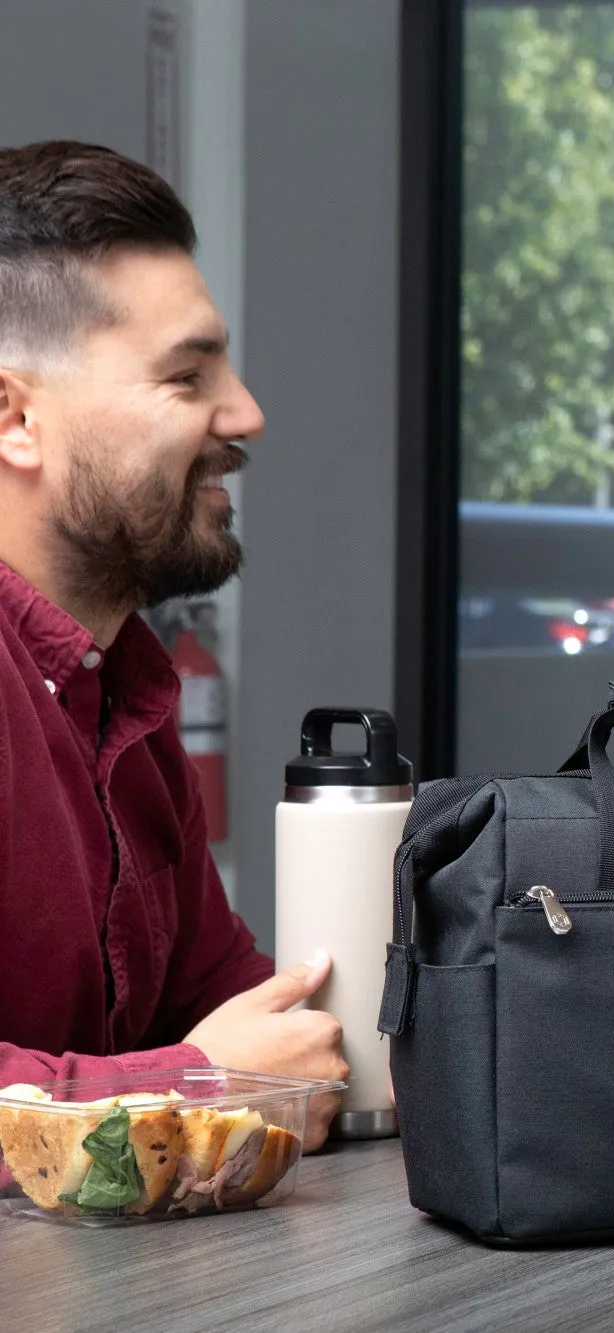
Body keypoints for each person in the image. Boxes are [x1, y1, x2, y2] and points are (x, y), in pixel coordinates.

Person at [0, 141, 345, 1147]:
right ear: (15, 416)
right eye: (188, 375)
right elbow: (226, 1062)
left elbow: (245, 1017)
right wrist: (201, 1084)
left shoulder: (126, 691)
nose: (244, 414)